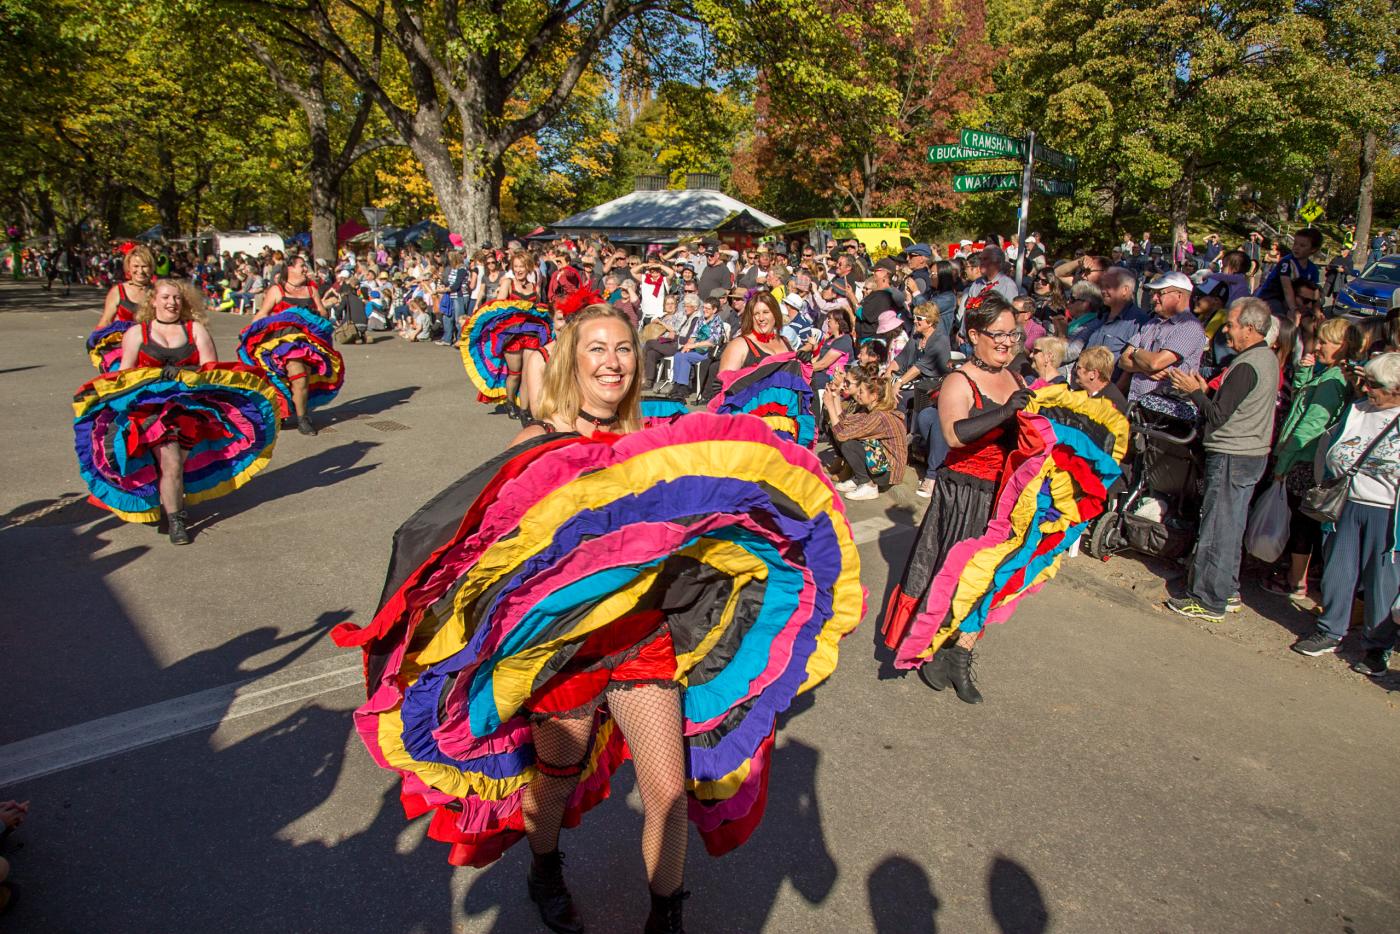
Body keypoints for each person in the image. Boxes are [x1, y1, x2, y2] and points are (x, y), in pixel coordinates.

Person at [883, 293, 1029, 704]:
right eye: (998, 334)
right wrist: (1006, 412)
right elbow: (953, 434)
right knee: (952, 576)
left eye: (1012, 334)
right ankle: (933, 649)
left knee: (989, 581)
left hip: (1002, 498)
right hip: (963, 493)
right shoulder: (959, 380)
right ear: (975, 335)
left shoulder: (1016, 379)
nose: (1007, 342)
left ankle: (961, 656)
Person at [1164, 298, 1280, 620]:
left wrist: (1193, 391)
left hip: (1233, 455)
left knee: (1218, 527)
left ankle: (1207, 599)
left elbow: (1217, 416)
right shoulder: (1264, 359)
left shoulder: (1247, 364)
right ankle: (1226, 590)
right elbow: (1233, 406)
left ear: (1250, 329)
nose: (1226, 330)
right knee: (1230, 525)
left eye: (1231, 325)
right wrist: (1205, 392)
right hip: (1248, 454)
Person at [1289, 353, 1400, 676]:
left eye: (1374, 385)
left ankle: (1377, 647)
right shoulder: (1357, 410)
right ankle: (1330, 629)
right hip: (1347, 503)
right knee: (1338, 570)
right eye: (1366, 382)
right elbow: (1331, 448)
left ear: (1396, 388)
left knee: (1382, 582)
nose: (1366, 389)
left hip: (1388, 512)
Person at [1262, 317, 1356, 605]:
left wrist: (1282, 464)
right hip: (1304, 457)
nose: (1318, 347)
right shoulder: (1328, 374)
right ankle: (1297, 574)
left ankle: (1296, 581)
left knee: (1302, 521)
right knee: (1302, 519)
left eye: (1325, 342)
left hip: (1303, 458)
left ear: (1343, 346)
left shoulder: (1333, 381)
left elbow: (1310, 426)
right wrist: (1304, 373)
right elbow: (1302, 402)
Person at [116, 281, 219, 543]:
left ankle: (168, 503)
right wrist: (152, 377)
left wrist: (186, 372)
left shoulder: (195, 329)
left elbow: (212, 369)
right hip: (149, 412)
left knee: (177, 466)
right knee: (171, 462)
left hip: (188, 409)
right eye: (165, 297)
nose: (172, 303)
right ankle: (176, 520)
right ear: (153, 301)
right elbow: (122, 377)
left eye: (177, 298)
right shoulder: (137, 333)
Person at [250, 254, 336, 435]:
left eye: (305, 266)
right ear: (289, 268)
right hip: (283, 343)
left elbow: (323, 313)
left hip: (308, 342)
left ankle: (299, 414)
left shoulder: (311, 289)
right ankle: (301, 419)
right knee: (298, 375)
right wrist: (249, 331)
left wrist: (313, 315)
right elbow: (263, 313)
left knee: (304, 376)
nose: (305, 269)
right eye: (301, 266)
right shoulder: (277, 290)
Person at [1119, 271, 1208, 410]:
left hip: (1166, 412)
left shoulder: (1190, 327)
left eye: (1160, 293)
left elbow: (1156, 363)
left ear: (1179, 296)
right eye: (1154, 293)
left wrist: (1135, 352)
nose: (1154, 298)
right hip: (1136, 406)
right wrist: (1144, 369)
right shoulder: (1151, 323)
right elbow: (1123, 360)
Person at [824, 366, 907, 500]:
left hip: (888, 473)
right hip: (880, 464)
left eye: (861, 392)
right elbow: (845, 423)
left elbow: (841, 435)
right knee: (847, 436)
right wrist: (836, 396)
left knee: (848, 444)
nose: (858, 395)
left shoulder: (879, 417)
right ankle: (858, 478)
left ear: (873, 397)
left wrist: (829, 405)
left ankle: (868, 485)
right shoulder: (871, 412)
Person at [715, 291, 790, 384]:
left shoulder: (784, 340)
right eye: (756, 314)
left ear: (775, 314)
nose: (761, 318)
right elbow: (725, 385)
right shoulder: (739, 345)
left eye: (766, 312)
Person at [666, 296, 729, 400]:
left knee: (685, 357)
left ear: (714, 310)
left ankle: (683, 388)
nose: (704, 310)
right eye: (704, 308)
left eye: (708, 309)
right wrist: (687, 346)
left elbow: (712, 342)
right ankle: (677, 384)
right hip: (697, 349)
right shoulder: (701, 319)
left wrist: (693, 345)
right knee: (679, 355)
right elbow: (693, 336)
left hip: (708, 352)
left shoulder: (717, 323)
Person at [97, 245, 155, 328]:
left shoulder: (159, 290)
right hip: (124, 335)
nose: (140, 271)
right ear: (129, 268)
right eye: (136, 266)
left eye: (144, 266)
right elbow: (106, 321)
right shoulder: (118, 291)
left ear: (151, 268)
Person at [1074, 345, 1128, 413]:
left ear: (1093, 374)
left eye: (1078, 367)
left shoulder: (1111, 404)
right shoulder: (1082, 392)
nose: (1075, 370)